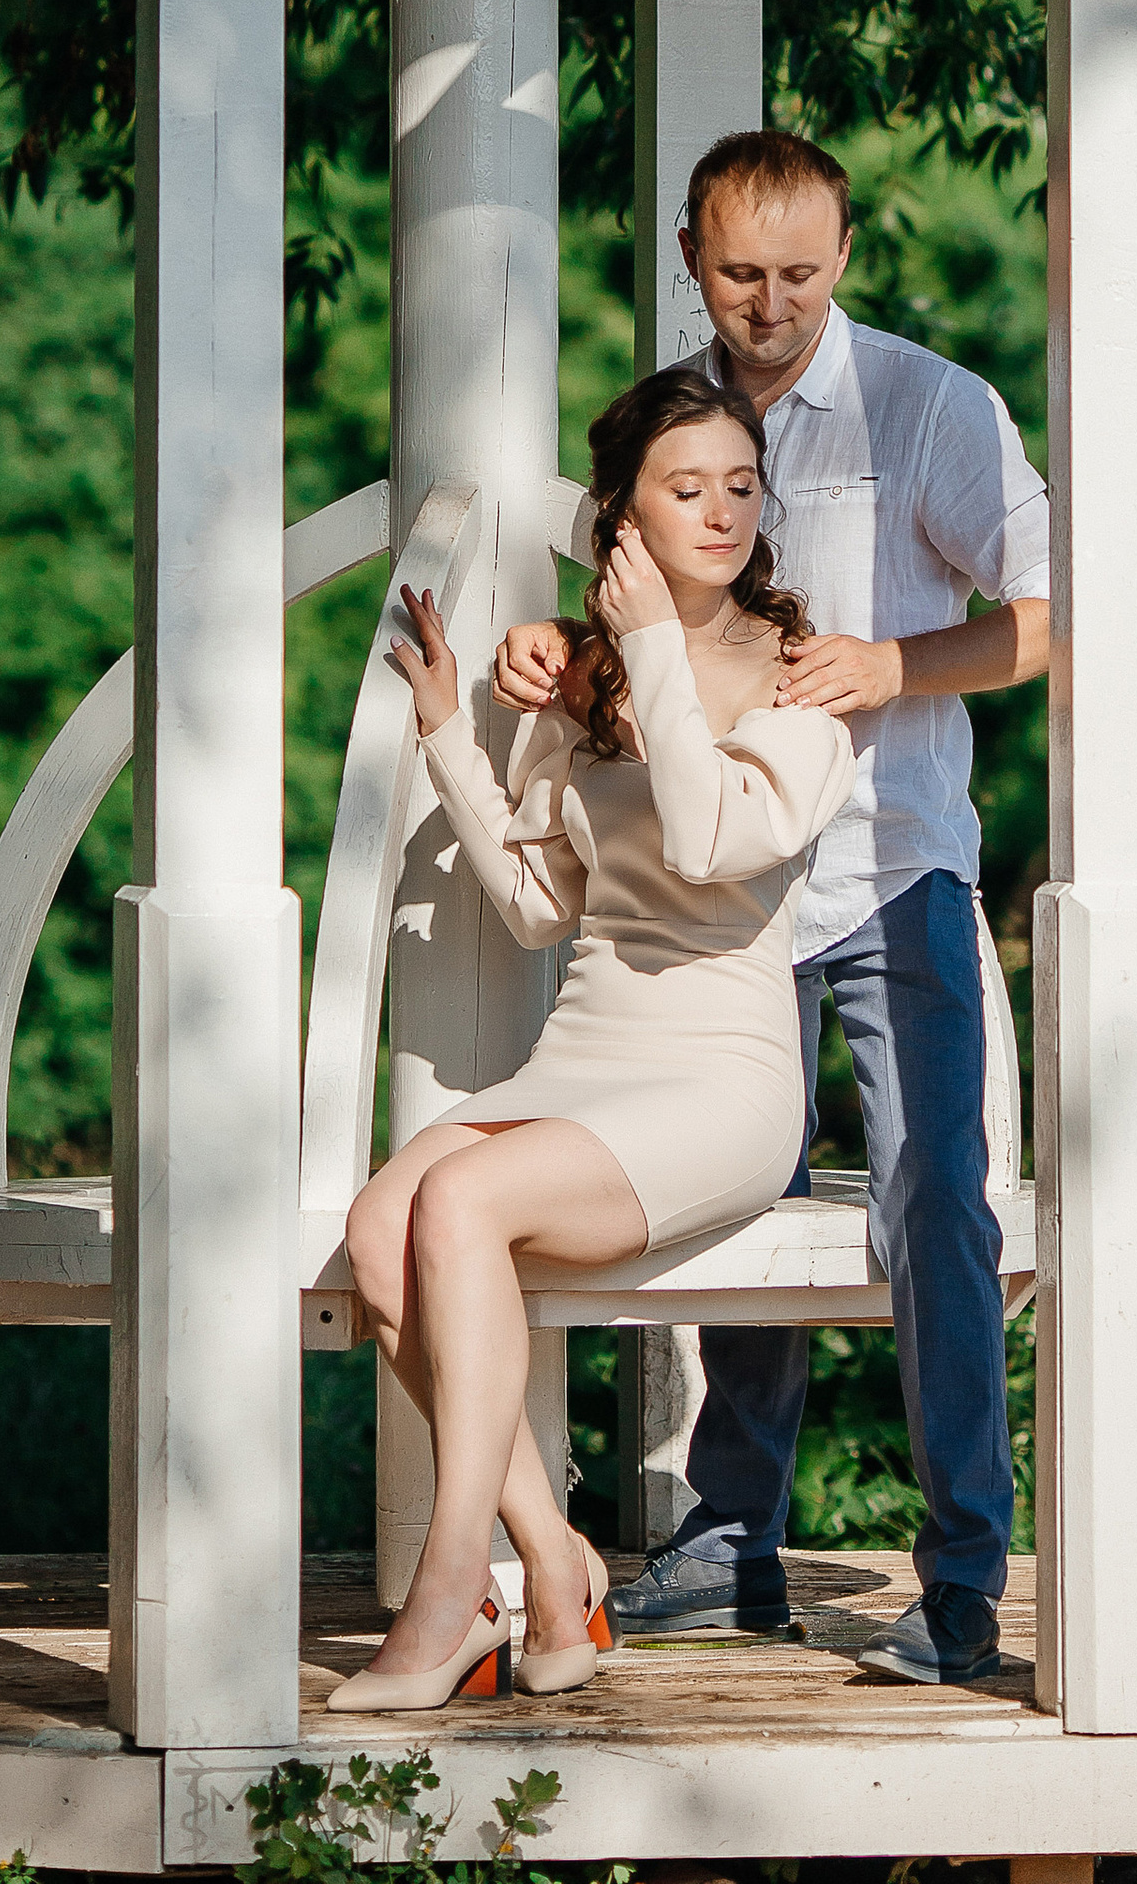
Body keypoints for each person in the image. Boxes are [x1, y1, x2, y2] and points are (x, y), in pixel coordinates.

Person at [495, 125, 1050, 1690]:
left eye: (801, 272)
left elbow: (1056, 616)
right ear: (694, 259)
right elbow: (657, 616)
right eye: (741, 273)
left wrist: (897, 664)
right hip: (716, 896)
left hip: (890, 871)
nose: (771, 303)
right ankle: (732, 1544)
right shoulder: (679, 422)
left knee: (934, 1199)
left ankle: (960, 1585)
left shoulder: (931, 405)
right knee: (735, 1197)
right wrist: (555, 651)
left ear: (845, 255)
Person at [332, 364, 856, 1716]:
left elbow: (706, 840)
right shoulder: (586, 687)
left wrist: (662, 660)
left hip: (721, 1077)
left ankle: (457, 1591)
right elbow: (530, 907)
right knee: (387, 1218)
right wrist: (458, 730)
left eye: (742, 484)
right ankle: (559, 1563)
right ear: (622, 515)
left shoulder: (802, 679)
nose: (724, 509)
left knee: (457, 1199)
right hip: (589, 1051)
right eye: (689, 489)